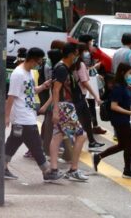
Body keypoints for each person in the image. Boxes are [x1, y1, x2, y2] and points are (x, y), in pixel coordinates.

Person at [3, 47, 62, 181]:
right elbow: (11, 97)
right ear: (32, 59)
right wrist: (6, 116)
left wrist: (43, 86)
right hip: (23, 117)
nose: (39, 65)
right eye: (39, 62)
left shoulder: (28, 72)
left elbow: (30, 91)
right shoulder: (18, 74)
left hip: (27, 113)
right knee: (35, 144)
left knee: (14, 141)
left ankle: (2, 167)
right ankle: (47, 171)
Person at [44, 43, 89, 181]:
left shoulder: (60, 66)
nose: (78, 57)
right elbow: (56, 90)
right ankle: (73, 169)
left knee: (57, 136)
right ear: (71, 54)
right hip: (64, 107)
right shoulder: (62, 68)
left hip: (63, 106)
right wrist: (56, 110)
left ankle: (53, 169)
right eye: (76, 54)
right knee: (81, 135)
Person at [93, 62, 131, 179]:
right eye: (129, 73)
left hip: (123, 119)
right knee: (129, 144)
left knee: (122, 145)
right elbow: (114, 106)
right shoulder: (117, 87)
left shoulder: (124, 85)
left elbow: (126, 104)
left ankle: (98, 156)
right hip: (119, 120)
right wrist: (130, 113)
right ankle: (127, 170)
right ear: (122, 72)